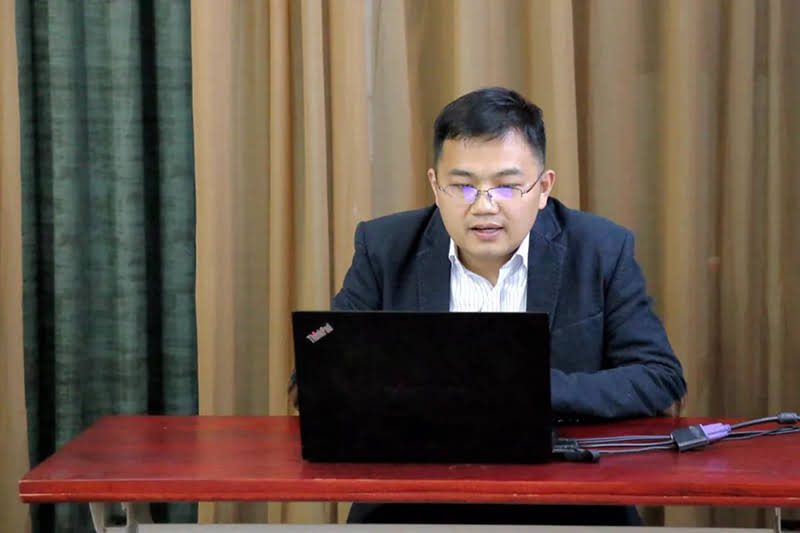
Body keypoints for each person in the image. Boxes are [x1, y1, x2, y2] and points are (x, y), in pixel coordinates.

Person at [291, 87, 686, 525]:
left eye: (507, 186)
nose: (483, 206)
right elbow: (314, 376)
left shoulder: (600, 249)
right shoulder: (385, 248)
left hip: (567, 497)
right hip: (415, 499)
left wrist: (527, 390)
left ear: (543, 188)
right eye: (462, 186)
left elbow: (659, 376)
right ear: (435, 186)